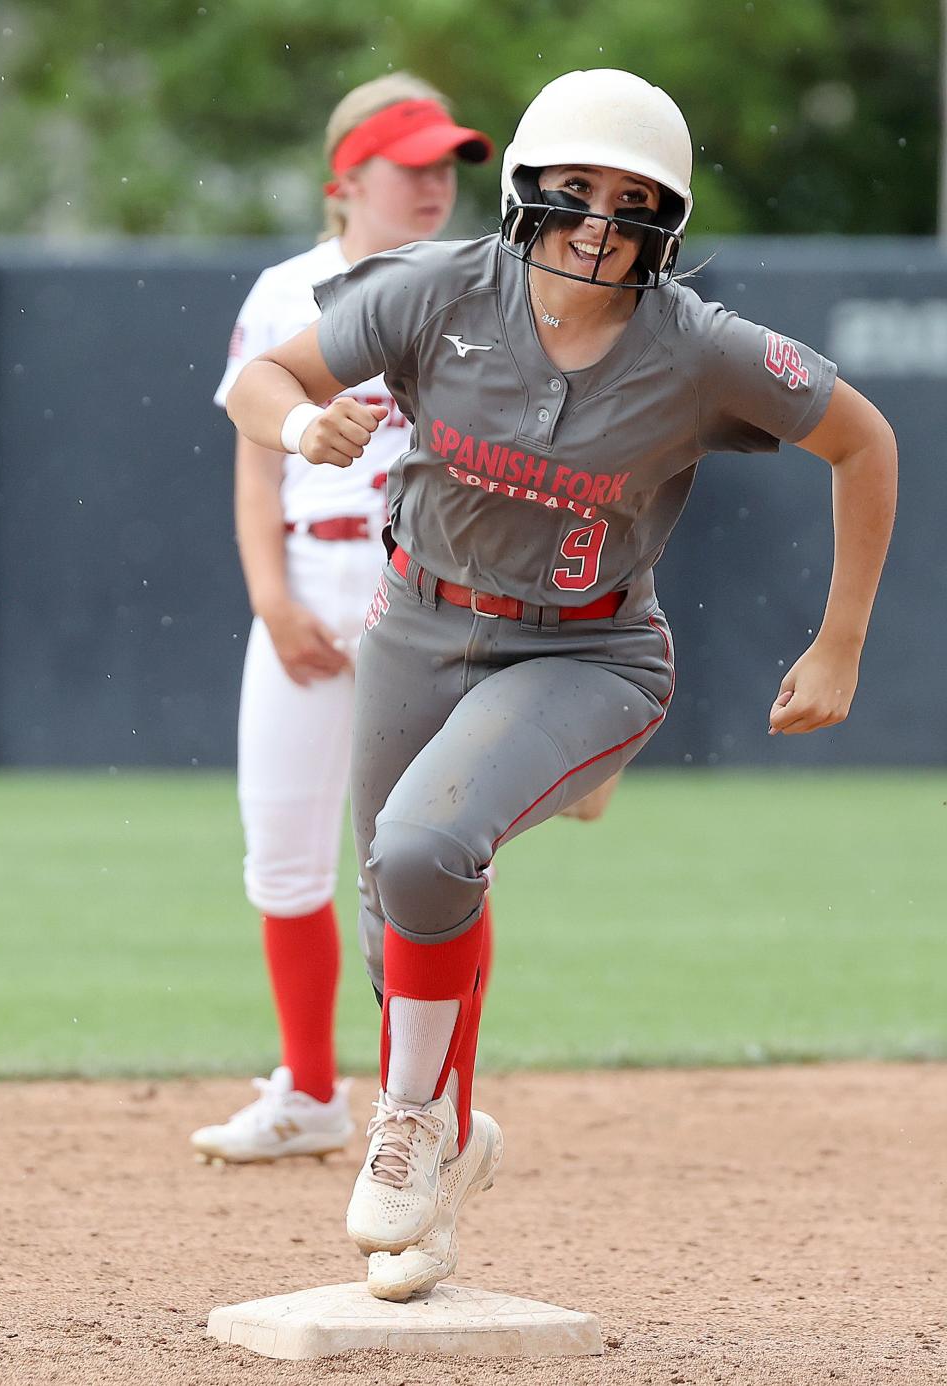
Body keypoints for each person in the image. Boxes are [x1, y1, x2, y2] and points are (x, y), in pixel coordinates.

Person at [225, 68, 897, 1297]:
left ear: (670, 223)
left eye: (633, 199)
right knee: (399, 915)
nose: (600, 220)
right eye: (577, 189)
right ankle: (444, 1156)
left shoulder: (696, 347)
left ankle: (407, 1126)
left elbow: (864, 438)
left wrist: (841, 635)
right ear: (526, 187)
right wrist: (295, 428)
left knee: (426, 848)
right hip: (417, 624)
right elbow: (265, 379)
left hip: (587, 650)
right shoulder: (438, 289)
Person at [190, 74, 493, 1165]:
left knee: (432, 862)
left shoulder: (476, 287)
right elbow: (251, 457)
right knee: (279, 858)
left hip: (428, 597)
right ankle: (311, 1092)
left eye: (445, 164)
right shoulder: (288, 291)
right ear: (346, 178)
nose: (432, 183)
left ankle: (432, 1111)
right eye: (408, 163)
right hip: (312, 586)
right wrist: (270, 599)